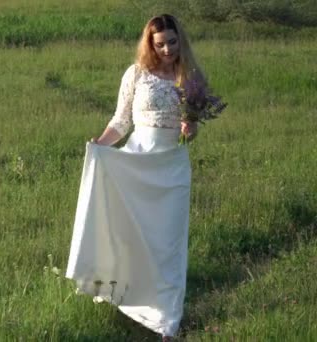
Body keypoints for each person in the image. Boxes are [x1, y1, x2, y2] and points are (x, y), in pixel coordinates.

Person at [65, 14, 203, 341]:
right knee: (130, 238)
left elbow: (193, 125)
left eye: (172, 41)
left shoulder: (190, 76)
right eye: (160, 44)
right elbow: (121, 121)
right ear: (150, 44)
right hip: (138, 163)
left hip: (171, 168)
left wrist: (191, 128)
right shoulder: (136, 74)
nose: (167, 49)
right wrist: (99, 145)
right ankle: (129, 297)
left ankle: (168, 320)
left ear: (180, 40)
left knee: (168, 245)